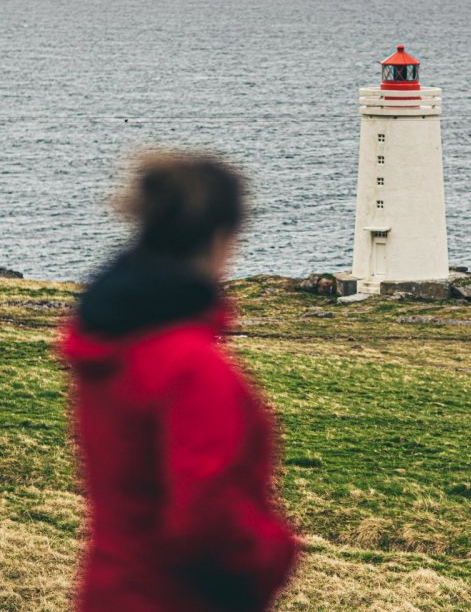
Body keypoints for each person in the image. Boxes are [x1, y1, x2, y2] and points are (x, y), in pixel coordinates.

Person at [60, 150, 297, 612]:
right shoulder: (191, 366)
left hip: (110, 592)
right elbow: (207, 520)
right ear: (219, 237)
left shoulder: (110, 340)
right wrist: (278, 551)